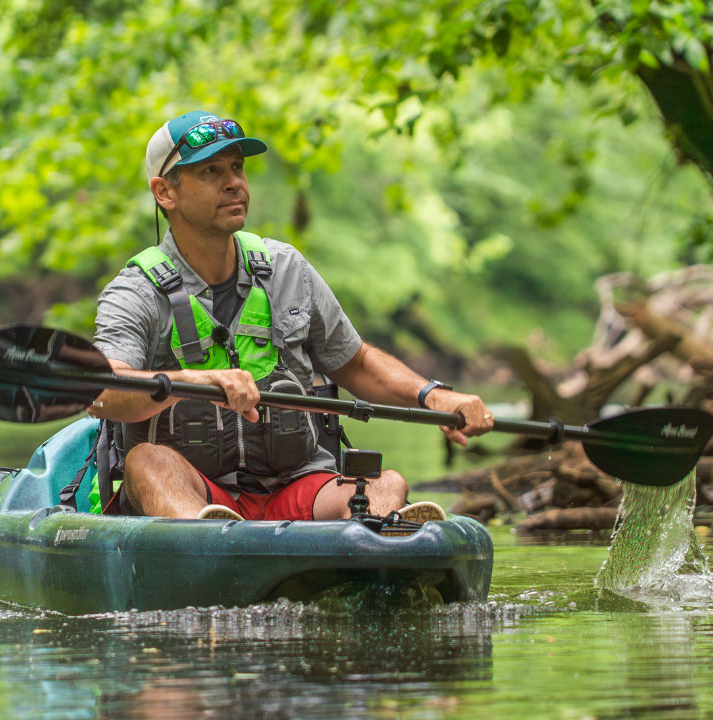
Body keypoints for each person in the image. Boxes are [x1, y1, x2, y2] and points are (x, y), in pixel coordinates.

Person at [88, 110, 494, 523]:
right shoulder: (135, 292)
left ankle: (379, 548)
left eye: (237, 168)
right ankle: (211, 545)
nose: (234, 182)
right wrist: (194, 381)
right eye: (210, 171)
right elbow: (100, 391)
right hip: (197, 492)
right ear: (164, 193)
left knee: (384, 483)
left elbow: (355, 363)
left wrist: (433, 396)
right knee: (147, 463)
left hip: (297, 488)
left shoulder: (286, 269)